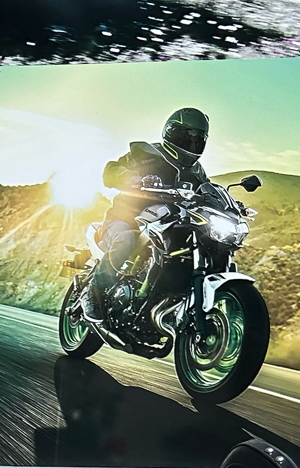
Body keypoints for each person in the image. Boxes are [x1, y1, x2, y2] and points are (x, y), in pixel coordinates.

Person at [84, 108, 211, 321]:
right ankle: (93, 294)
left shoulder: (197, 172)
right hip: (126, 219)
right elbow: (111, 171)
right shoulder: (145, 154)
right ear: (172, 133)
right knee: (126, 239)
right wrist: (129, 177)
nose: (191, 144)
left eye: (198, 140)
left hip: (169, 223)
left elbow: (205, 191)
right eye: (186, 137)